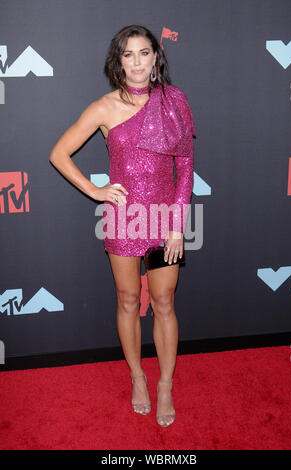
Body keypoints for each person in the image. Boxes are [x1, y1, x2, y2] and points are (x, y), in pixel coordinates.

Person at [49, 25, 196, 428]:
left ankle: (165, 383)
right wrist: (96, 191)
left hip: (165, 217)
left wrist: (177, 224)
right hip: (124, 218)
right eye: (128, 55)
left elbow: (185, 166)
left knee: (164, 303)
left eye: (144, 53)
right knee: (129, 300)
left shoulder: (174, 101)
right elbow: (59, 153)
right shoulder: (103, 108)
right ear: (118, 61)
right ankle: (138, 377)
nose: (136, 62)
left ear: (155, 57)